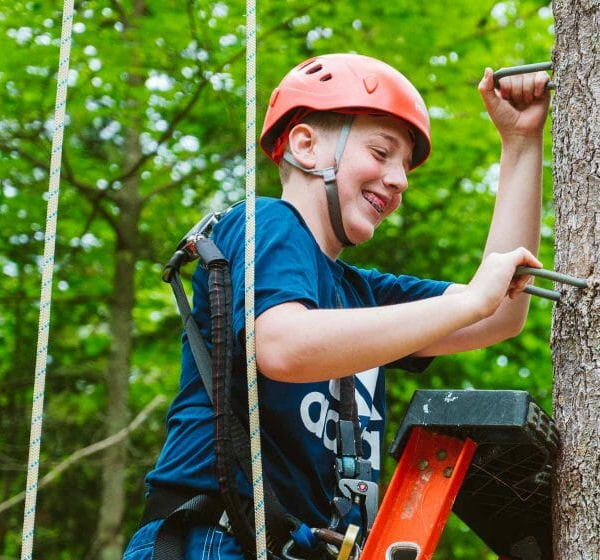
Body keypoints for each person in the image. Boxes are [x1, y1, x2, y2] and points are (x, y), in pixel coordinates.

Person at [122, 53, 550, 559]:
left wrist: (521, 143)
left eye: (405, 167)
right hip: (215, 536)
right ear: (305, 145)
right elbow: (282, 345)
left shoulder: (359, 294)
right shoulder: (265, 222)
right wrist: (474, 299)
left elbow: (499, 311)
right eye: (381, 152)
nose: (399, 180)